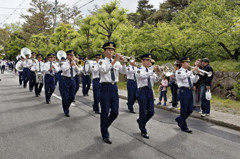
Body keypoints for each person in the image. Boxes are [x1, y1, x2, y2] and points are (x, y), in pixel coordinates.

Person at [99, 42, 126, 144]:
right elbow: (104, 70)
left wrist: (123, 62)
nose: (111, 51)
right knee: (105, 111)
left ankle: (104, 126)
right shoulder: (102, 61)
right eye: (109, 50)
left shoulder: (117, 62)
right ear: (105, 51)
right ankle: (105, 133)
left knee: (115, 112)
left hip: (114, 87)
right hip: (105, 87)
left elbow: (124, 72)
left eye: (112, 50)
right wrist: (115, 60)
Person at [136, 53, 160, 139]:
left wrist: (158, 72)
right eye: (147, 60)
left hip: (150, 91)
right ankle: (143, 130)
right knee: (142, 111)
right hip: (142, 91)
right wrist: (152, 71)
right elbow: (141, 76)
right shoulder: (139, 69)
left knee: (151, 112)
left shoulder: (151, 71)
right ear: (142, 61)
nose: (149, 62)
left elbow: (156, 80)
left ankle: (141, 122)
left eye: (150, 60)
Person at [175, 57, 199, 133]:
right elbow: (182, 77)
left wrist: (196, 73)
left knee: (190, 109)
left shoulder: (189, 72)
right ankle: (184, 126)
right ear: (182, 63)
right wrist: (192, 71)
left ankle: (179, 119)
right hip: (183, 90)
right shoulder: (179, 71)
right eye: (187, 62)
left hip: (189, 91)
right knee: (184, 109)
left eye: (189, 62)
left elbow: (195, 80)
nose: (188, 64)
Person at [60, 50, 79, 117]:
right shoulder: (63, 62)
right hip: (65, 79)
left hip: (72, 79)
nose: (72, 57)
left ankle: (66, 106)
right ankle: (66, 111)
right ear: (67, 56)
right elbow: (63, 70)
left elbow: (78, 71)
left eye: (72, 55)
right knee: (65, 96)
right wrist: (70, 65)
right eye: (70, 55)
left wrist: (75, 65)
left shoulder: (74, 63)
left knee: (72, 96)